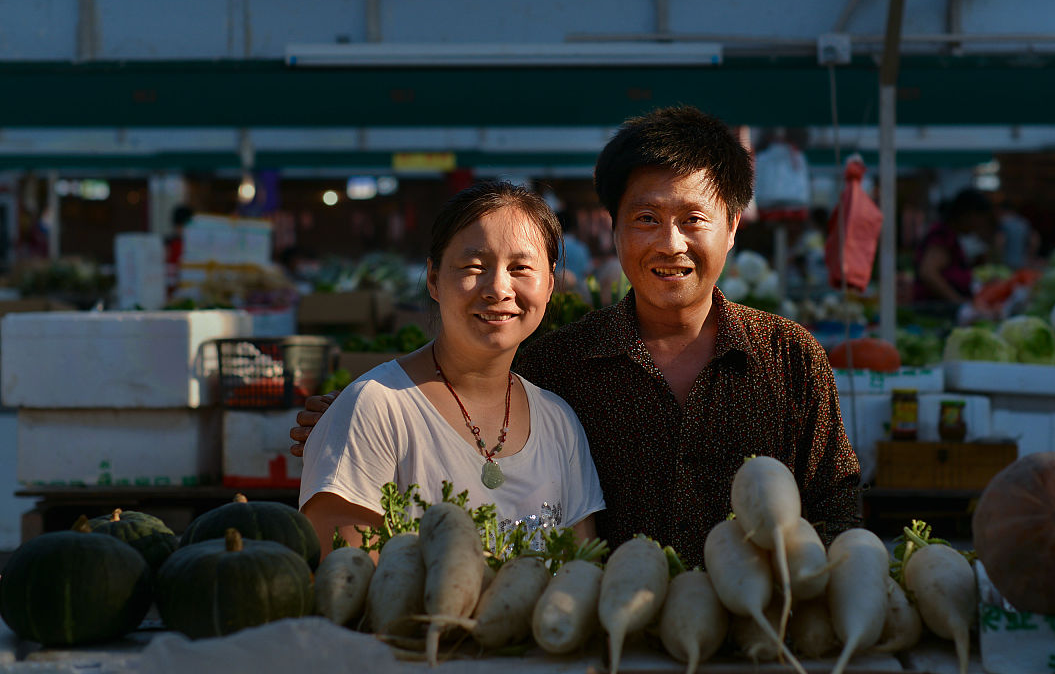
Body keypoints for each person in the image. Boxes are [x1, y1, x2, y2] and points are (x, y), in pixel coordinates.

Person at [293, 107, 861, 566]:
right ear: (613, 229)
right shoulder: (560, 363)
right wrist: (357, 415)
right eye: (645, 219)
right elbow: (467, 398)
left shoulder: (788, 360)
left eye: (693, 219)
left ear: (733, 227)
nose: (670, 244)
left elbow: (836, 507)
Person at [300, 181, 605, 559]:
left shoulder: (559, 423)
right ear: (433, 279)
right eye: (474, 266)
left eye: (521, 268)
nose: (498, 288)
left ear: (549, 286)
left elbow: (580, 577)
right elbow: (346, 587)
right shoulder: (374, 410)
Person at [914, 188, 995, 307]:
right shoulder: (943, 236)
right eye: (980, 218)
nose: (980, 224)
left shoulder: (950, 236)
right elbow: (928, 273)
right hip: (936, 310)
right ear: (968, 215)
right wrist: (958, 301)